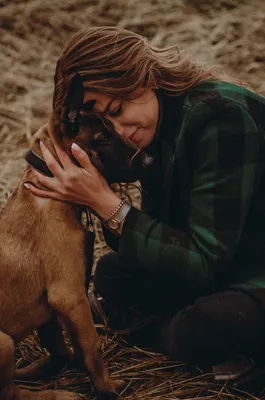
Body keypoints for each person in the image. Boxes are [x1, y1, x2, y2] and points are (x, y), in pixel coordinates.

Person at [24, 26, 265, 386]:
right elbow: (163, 237)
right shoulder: (156, 127)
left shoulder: (221, 118)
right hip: (229, 266)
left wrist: (105, 203)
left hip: (249, 267)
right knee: (113, 273)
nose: (120, 131)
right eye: (106, 125)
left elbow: (203, 262)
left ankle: (160, 333)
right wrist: (97, 193)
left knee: (215, 321)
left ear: (145, 75)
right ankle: (184, 335)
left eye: (118, 109)